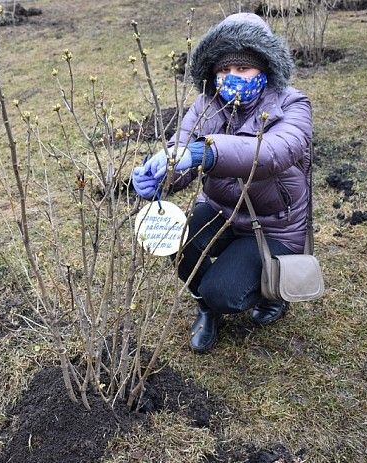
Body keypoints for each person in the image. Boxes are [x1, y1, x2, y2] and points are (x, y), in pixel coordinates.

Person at [131, 13, 313, 353]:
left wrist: (204, 153)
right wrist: (160, 173)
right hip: (220, 207)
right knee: (174, 239)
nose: (232, 77)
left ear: (265, 68)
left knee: (224, 291)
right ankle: (206, 308)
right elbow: (181, 150)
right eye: (224, 70)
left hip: (274, 224)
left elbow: (272, 153)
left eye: (243, 68)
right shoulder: (206, 104)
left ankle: (268, 292)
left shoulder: (293, 105)